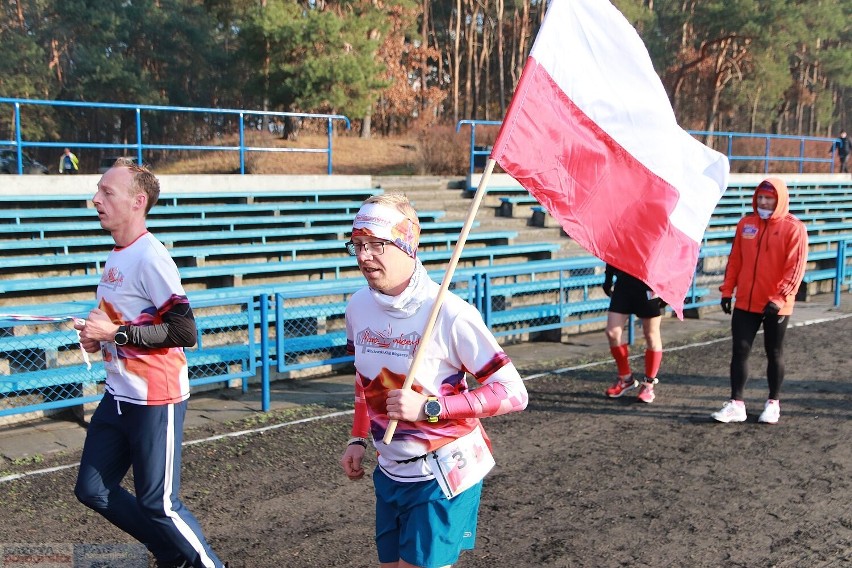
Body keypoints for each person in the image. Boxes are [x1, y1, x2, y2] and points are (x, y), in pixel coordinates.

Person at [339, 193, 529, 568]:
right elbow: (365, 383)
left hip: (442, 474)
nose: (363, 256)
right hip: (390, 471)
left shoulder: (450, 313)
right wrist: (358, 437)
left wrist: (430, 408)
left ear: (407, 243)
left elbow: (513, 393)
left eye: (376, 245)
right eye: (357, 245)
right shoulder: (357, 307)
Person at [72, 158, 226, 568]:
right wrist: (95, 338)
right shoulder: (117, 256)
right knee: (92, 489)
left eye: (107, 192)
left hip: (156, 399)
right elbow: (117, 325)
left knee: (159, 503)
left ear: (138, 202)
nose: (96, 199)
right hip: (118, 397)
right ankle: (169, 551)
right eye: (98, 191)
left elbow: (184, 331)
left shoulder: (151, 257)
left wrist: (115, 334)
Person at [712, 177, 808, 425]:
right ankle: (736, 404)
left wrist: (779, 297)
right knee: (740, 351)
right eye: (761, 198)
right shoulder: (746, 224)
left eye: (769, 198)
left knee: (774, 352)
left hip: (777, 304)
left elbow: (795, 269)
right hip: (746, 300)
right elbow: (735, 259)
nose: (764, 202)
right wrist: (727, 290)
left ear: (779, 200)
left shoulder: (794, 228)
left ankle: (773, 402)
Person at [601, 264, 666, 403]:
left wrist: (669, 289)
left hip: (650, 283)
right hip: (624, 283)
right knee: (612, 332)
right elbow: (614, 249)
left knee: (651, 334)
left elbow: (670, 256)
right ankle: (626, 379)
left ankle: (649, 384)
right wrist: (608, 278)